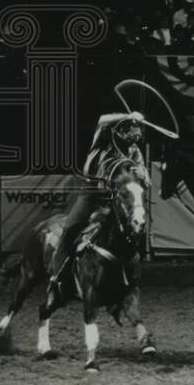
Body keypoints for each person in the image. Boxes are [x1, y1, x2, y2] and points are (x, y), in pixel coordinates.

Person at [48, 111, 149, 294]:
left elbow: (145, 184)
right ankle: (57, 276)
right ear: (120, 132)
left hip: (114, 199)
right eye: (132, 132)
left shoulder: (135, 152)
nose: (135, 137)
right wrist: (128, 114)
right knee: (71, 229)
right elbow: (102, 119)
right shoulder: (102, 142)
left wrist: (143, 176)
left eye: (138, 133)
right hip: (91, 194)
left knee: (134, 227)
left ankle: (127, 273)